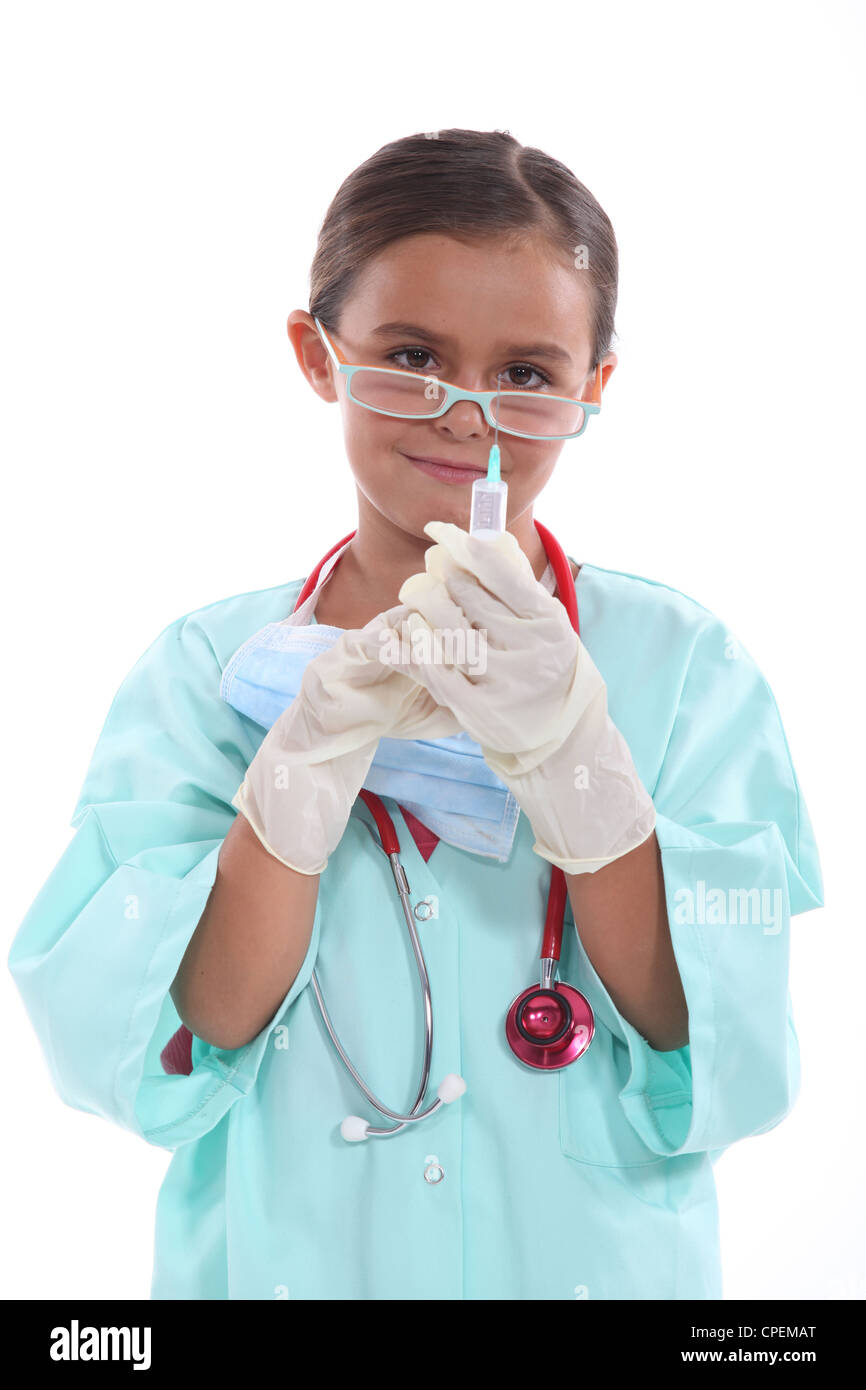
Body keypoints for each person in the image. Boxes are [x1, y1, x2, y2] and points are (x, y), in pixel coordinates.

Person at [7, 128, 823, 1301]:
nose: (465, 416)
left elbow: (716, 1046)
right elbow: (168, 1040)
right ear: (315, 352)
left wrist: (580, 770)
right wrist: (291, 780)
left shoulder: (684, 671)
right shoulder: (206, 676)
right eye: (409, 355)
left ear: (593, 387)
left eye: (526, 374)